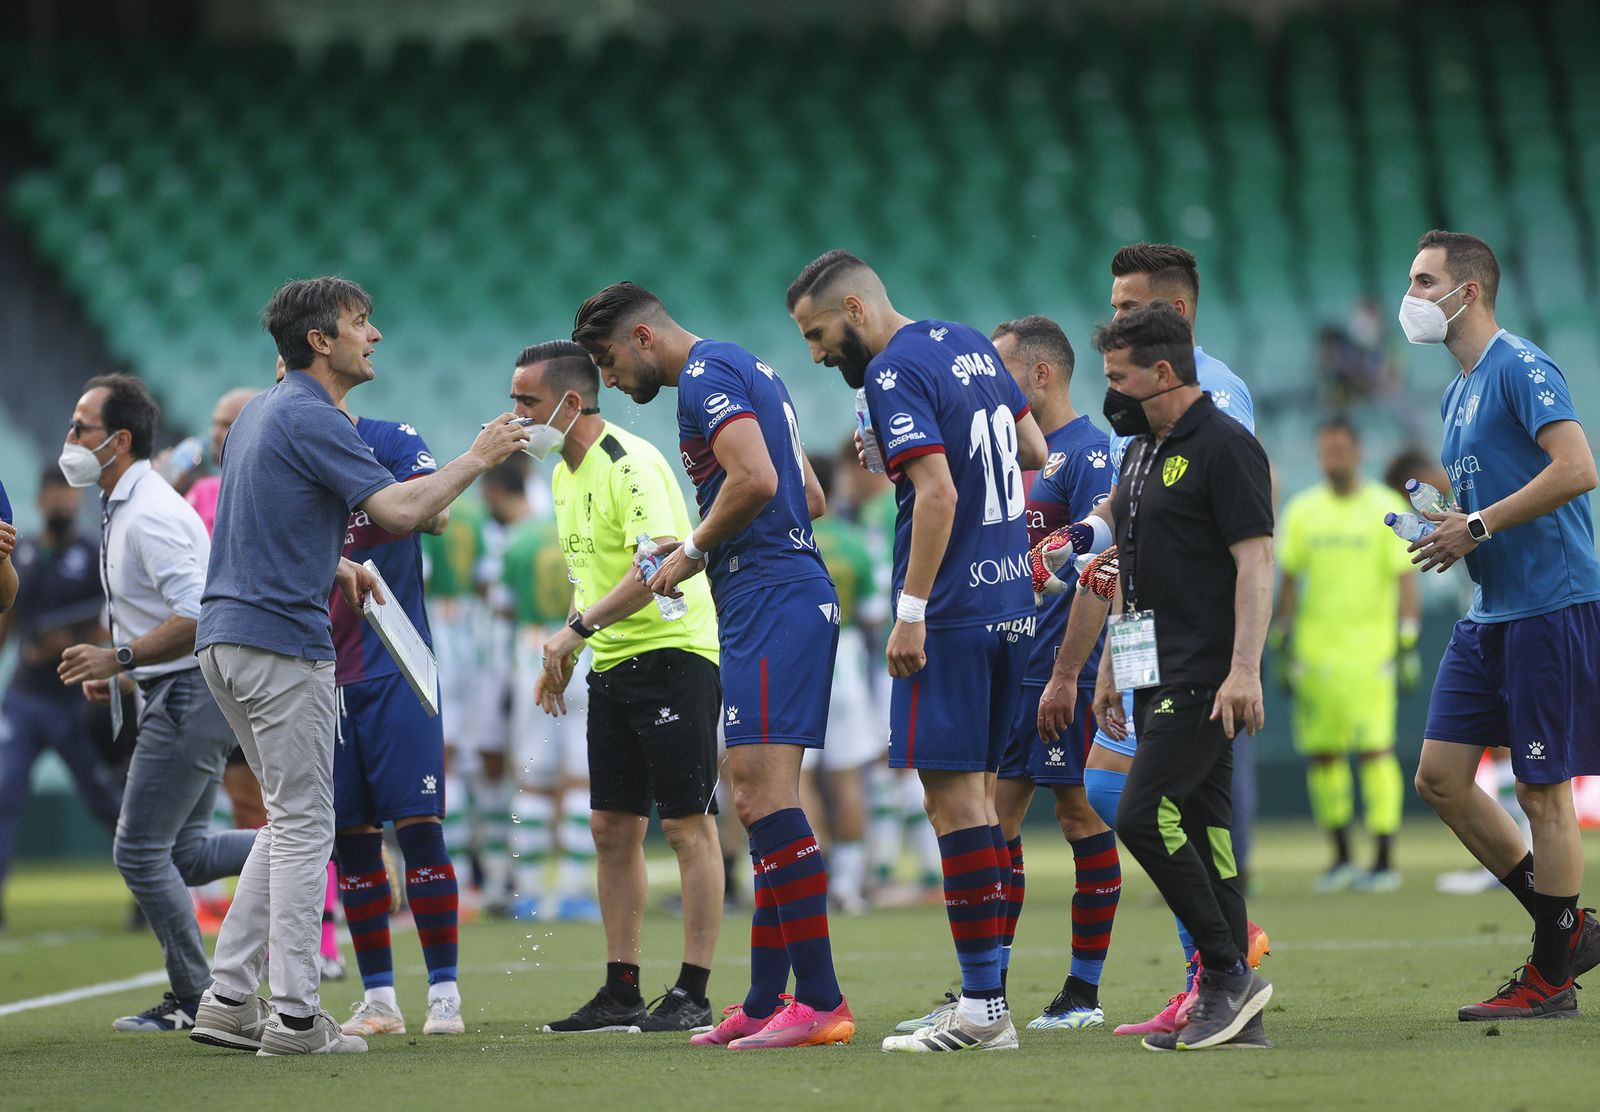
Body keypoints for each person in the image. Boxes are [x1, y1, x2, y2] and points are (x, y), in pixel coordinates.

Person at [188, 276, 529, 1056]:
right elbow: (405, 513)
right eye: (360, 322)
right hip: (281, 644)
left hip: (226, 637)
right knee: (312, 830)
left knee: (289, 823)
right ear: (320, 340)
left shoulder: (257, 415)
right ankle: (300, 1019)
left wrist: (340, 569)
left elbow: (263, 524)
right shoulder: (313, 414)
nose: (372, 335)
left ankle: (229, 997)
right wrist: (479, 454)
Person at [573, 285, 853, 1050]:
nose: (613, 379)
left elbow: (758, 481)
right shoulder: (751, 368)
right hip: (776, 588)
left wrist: (694, 549)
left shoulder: (703, 377)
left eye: (608, 361)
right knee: (755, 802)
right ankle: (766, 1001)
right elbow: (811, 495)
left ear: (640, 335)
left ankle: (821, 1002)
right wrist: (700, 539)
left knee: (763, 799)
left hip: (771, 597)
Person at [787, 250, 1047, 1053]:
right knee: (985, 806)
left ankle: (981, 1011)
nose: (817, 353)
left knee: (954, 805)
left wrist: (911, 613)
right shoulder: (967, 342)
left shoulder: (890, 372)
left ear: (856, 310)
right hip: (1012, 603)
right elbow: (1033, 453)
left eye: (818, 333)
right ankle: (987, 998)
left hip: (955, 613)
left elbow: (938, 494)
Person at [1041, 243, 1268, 1039]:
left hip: (1206, 665)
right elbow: (1131, 556)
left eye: (1121, 377)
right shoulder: (1141, 444)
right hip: (1150, 657)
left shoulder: (1220, 429)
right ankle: (1226, 990)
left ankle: (1225, 968)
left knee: (1140, 811)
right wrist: (1111, 663)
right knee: (1203, 827)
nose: (1111, 396)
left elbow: (1250, 554)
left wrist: (1245, 667)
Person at [1400, 230, 1600, 1020]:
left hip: (1550, 606)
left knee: (1542, 792)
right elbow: (1488, 504)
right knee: (1442, 778)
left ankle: (1551, 977)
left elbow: (1578, 468)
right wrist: (1450, 528)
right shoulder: (1457, 390)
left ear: (1469, 290)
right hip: (1491, 613)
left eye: (1423, 280)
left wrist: (1475, 526)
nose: (1410, 295)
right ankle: (1570, 928)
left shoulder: (1520, 366)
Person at [512, 340, 725, 1033]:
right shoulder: (561, 474)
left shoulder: (627, 463)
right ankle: (622, 990)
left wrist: (574, 631)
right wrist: (576, 647)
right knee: (611, 827)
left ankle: (693, 989)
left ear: (571, 404)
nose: (516, 417)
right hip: (613, 659)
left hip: (674, 653)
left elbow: (656, 569)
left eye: (527, 403)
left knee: (688, 825)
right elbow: (591, 574)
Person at [51, 374, 258, 1032]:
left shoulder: (148, 512)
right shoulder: (126, 503)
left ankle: (198, 999)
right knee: (186, 853)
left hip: (189, 690)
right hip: (179, 688)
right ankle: (312, 845)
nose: (69, 437)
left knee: (138, 852)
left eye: (80, 426)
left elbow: (200, 611)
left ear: (117, 440)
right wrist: (121, 669)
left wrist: (120, 658)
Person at [316, 388, 471, 1039]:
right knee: (351, 839)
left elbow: (429, 516)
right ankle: (379, 998)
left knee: (418, 826)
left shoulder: (390, 435)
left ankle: (445, 995)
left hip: (396, 663)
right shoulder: (288, 452)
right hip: (320, 670)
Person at [989, 315, 1118, 1031]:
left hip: (1065, 665)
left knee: (1077, 813)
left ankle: (1083, 993)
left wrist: (1072, 671)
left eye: (1002, 371)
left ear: (1040, 375)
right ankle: (989, 990)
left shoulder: (1088, 453)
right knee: (994, 821)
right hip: (1012, 663)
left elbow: (1096, 566)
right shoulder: (1013, 455)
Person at [1274, 416, 1419, 893]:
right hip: (1316, 657)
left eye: (1340, 449)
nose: (1332, 457)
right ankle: (1339, 856)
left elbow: (1404, 576)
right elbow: (1290, 581)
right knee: (1324, 757)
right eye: (1325, 450)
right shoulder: (1302, 511)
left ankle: (1382, 859)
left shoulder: (1385, 507)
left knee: (1375, 752)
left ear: (1358, 452)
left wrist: (1408, 637)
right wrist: (1282, 639)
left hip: (1370, 654)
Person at [0, 468, 120, 929]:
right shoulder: (22, 551)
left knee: (104, 799)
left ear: (77, 498)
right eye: (52, 492)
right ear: (40, 497)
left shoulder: (92, 553)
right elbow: (7, 613)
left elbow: (107, 623)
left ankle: (147, 892)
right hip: (25, 698)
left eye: (67, 492)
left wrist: (61, 639)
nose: (60, 501)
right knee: (5, 795)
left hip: (74, 698)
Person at [494, 461, 601, 925]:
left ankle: (532, 892)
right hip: (585, 649)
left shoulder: (519, 541)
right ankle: (576, 890)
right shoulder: (585, 531)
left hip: (530, 653)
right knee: (581, 777)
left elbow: (500, 607)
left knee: (533, 779)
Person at [798, 452, 885, 916]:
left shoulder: (789, 537)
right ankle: (848, 887)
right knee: (849, 777)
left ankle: (814, 876)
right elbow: (874, 614)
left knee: (799, 778)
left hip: (801, 658)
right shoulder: (854, 541)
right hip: (847, 658)